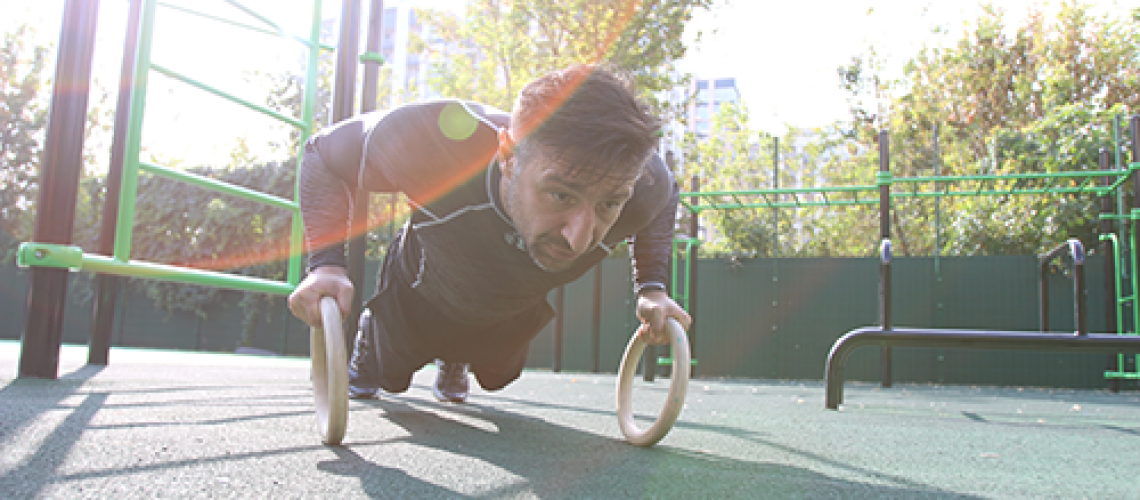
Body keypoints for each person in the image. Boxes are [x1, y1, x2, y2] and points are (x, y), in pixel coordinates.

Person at [288, 64, 691, 403]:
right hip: (421, 289)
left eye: (608, 204)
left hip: (508, 304)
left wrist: (651, 287)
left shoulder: (644, 183)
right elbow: (321, 154)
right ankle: (372, 330)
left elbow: (665, 196)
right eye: (560, 194)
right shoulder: (432, 142)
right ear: (507, 158)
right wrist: (325, 265)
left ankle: (456, 356)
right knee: (389, 379)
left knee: (498, 378)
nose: (579, 240)